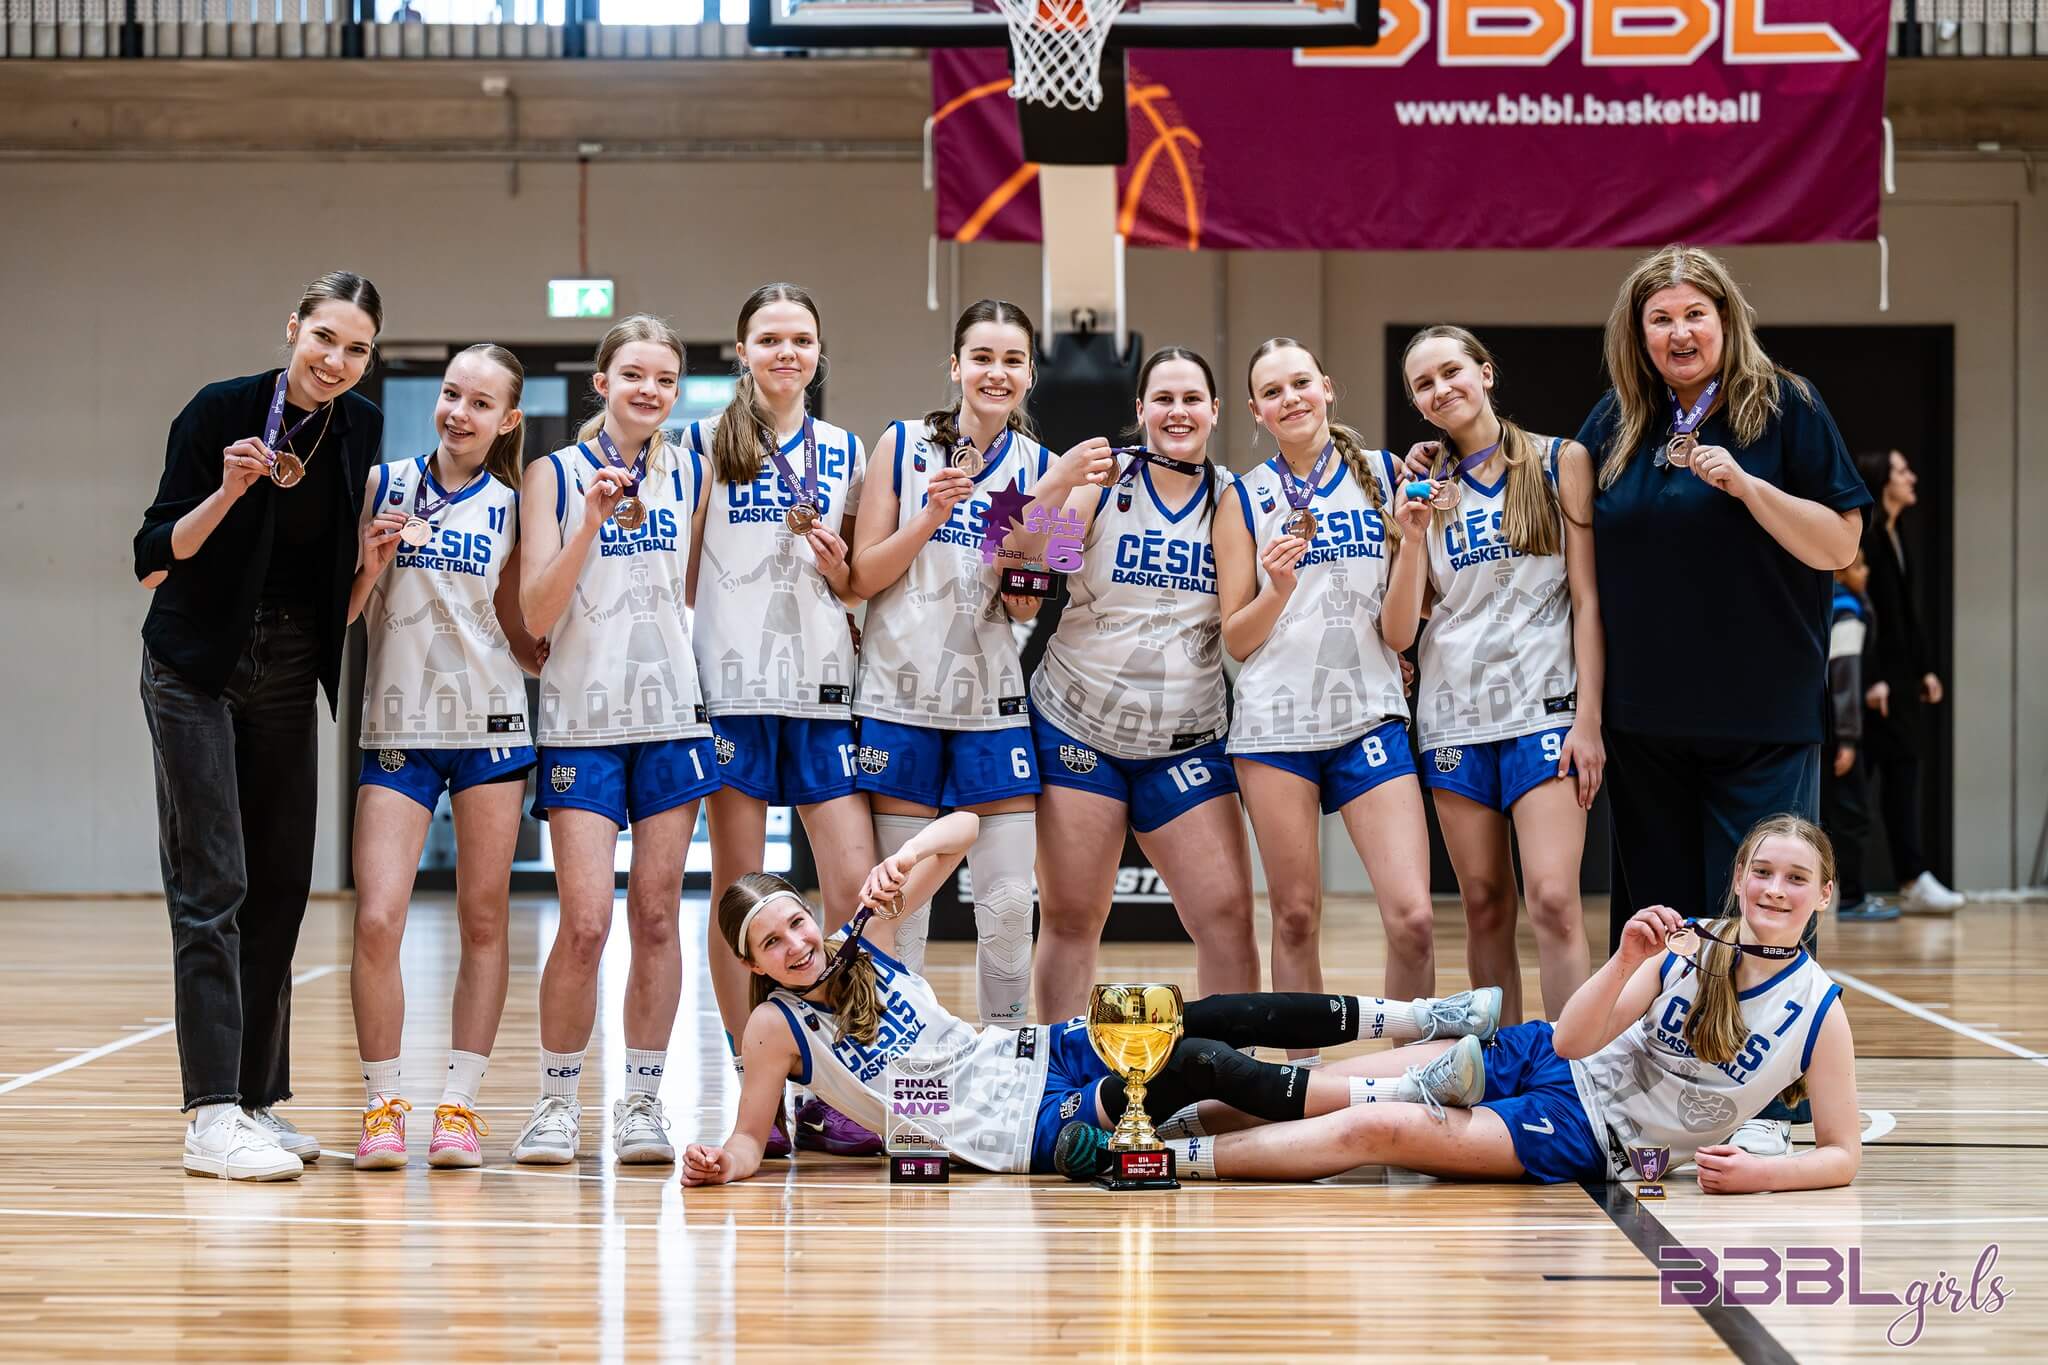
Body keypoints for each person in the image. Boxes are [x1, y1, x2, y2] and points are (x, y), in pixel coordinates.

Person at [678, 811, 1503, 1185]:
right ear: (754, 964)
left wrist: (907, 857)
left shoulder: (864, 937)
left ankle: (1424, 1017)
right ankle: (1410, 1089)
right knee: (1196, 1062)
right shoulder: (774, 1025)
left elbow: (965, 828)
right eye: (771, 945)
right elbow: (751, 1137)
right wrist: (722, 1162)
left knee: (1204, 1011)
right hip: (1021, 1127)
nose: (795, 946)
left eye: (795, 922)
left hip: (1037, 1053)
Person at [1056, 814, 1860, 1197]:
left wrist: (1764, 1172)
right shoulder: (1688, 944)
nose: (1774, 889)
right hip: (1539, 1053)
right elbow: (1574, 1040)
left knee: (1374, 1129)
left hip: (1586, 1132)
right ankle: (1134, 1121)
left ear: (1824, 894)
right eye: (1763, 872)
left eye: (1796, 878)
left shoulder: (1821, 1012)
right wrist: (1625, 960)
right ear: (1739, 877)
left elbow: (1841, 1152)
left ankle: (1153, 1160)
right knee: (1327, 1087)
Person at [1576, 245, 1869, 1157]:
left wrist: (1746, 485)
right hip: (1646, 724)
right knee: (1665, 928)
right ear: (1638, 335)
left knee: (1762, 919)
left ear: (1725, 318)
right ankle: (1649, 1108)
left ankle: (1775, 1110)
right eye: (1660, 319)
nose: (1679, 332)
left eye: (1693, 314)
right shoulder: (1616, 421)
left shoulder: (1786, 407)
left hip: (1761, 716)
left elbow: (1839, 545)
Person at [135, 270, 385, 1181]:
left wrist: (371, 567)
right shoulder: (220, 411)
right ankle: (209, 1114)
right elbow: (153, 558)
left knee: (281, 883)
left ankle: (253, 1099)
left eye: (356, 349)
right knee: (214, 881)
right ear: (293, 328)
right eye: (324, 337)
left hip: (288, 665)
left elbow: (330, 597)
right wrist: (228, 490)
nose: (336, 360)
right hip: (195, 665)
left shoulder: (359, 429)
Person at [845, 299, 1114, 1027]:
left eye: (1012, 360)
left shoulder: (1052, 469)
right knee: (902, 913)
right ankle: (903, 1066)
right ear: (956, 365)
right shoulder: (900, 443)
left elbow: (1025, 601)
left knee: (1008, 910)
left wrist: (1050, 494)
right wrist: (929, 516)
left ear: (1030, 374)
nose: (997, 372)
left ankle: (1007, 1066)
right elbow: (864, 576)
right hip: (898, 701)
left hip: (992, 706)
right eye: (983, 357)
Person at [510, 315, 721, 1166]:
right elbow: (534, 613)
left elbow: (695, 590)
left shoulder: (692, 471)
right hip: (582, 722)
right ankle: (557, 1103)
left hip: (672, 718)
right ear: (602, 382)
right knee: (587, 922)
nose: (649, 390)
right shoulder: (553, 474)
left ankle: (642, 1102)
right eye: (633, 374)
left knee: (659, 916)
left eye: (665, 379)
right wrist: (592, 521)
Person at [687, 283, 878, 1156]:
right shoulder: (701, 442)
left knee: (853, 886)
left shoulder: (845, 449)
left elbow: (857, 578)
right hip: (732, 689)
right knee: (742, 896)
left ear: (819, 351)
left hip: (822, 690)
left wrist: (839, 569)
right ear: (743, 350)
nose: (786, 352)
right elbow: (682, 566)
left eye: (801, 338)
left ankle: (842, 1079)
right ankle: (753, 1078)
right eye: (770, 338)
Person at [346, 345, 544, 1169]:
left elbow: (527, 629)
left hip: (490, 729)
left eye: (481, 402)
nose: (460, 412)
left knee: (483, 919)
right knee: (377, 917)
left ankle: (459, 1106)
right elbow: (344, 612)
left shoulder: (517, 507)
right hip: (398, 729)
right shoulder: (382, 484)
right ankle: (383, 1105)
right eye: (452, 394)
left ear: (508, 420)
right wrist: (368, 565)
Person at [1029, 346, 1259, 1021]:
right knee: (1072, 913)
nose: (1178, 411)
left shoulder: (1235, 497)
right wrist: (1057, 484)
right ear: (1140, 410)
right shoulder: (1103, 481)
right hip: (1078, 726)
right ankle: (1062, 1068)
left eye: (1192, 399)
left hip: (1186, 738)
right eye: (1163, 398)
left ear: (1215, 411)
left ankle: (1233, 1069)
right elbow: (1030, 556)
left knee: (1227, 915)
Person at [1382, 325, 1602, 1024]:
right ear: (1417, 404)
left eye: (1452, 371)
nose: (1441, 388)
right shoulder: (1421, 486)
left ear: (1485, 372)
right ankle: (1504, 1064)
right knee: (1483, 905)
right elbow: (1406, 623)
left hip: (1546, 709)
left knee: (1555, 900)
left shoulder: (1560, 460)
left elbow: (1587, 600)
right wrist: (1409, 533)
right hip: (1454, 716)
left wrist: (1589, 720)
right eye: (1424, 384)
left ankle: (1571, 1069)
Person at [1217, 338, 1436, 1035]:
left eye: (1301, 383)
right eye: (1273, 391)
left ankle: (1409, 1073)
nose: (1291, 398)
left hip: (1369, 715)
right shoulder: (1242, 498)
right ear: (1255, 410)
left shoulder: (1386, 472)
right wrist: (1278, 589)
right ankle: (1303, 1081)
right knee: (1295, 916)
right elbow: (1236, 640)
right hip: (1275, 726)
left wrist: (1413, 543)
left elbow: (1401, 628)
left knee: (1414, 918)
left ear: (1328, 387)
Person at [1854, 448, 1963, 913]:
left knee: (1902, 775)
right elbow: (1865, 615)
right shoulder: (1867, 537)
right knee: (1855, 788)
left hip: (1898, 686)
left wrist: (1924, 670)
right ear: (1883, 480)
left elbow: (1904, 617)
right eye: (1902, 471)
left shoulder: (1896, 536)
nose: (1911, 477)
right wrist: (1872, 678)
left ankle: (1911, 877)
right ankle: (1846, 887)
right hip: (1872, 688)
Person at [1820, 551, 1898, 922]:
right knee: (1851, 814)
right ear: (1841, 571)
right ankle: (1851, 898)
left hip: (1819, 727)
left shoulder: (1826, 605)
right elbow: (1844, 678)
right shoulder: (1847, 610)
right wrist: (1848, 739)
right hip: (1838, 733)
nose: (1865, 572)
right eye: (1859, 566)